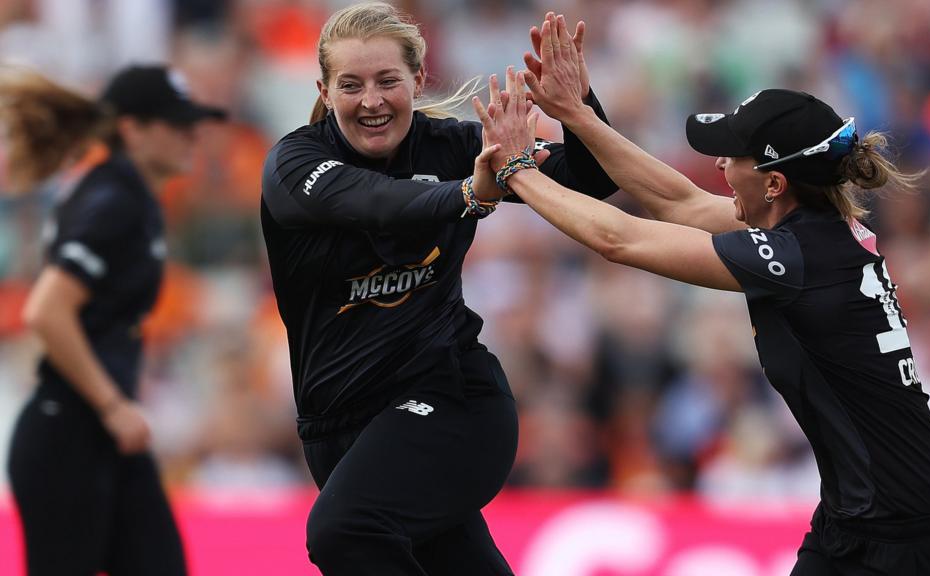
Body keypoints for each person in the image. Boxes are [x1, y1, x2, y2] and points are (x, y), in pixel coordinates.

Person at [473, 12, 930, 575]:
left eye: (733, 156)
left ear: (775, 183)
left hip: (912, 544)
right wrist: (576, 114)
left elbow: (620, 238)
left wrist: (517, 170)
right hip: (861, 521)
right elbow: (676, 201)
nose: (720, 165)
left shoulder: (796, 257)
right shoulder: (817, 231)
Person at [258, 3, 617, 574]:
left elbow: (591, 179)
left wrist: (578, 109)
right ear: (324, 92)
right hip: (338, 433)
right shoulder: (297, 162)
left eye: (387, 81)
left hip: (453, 404)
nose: (371, 100)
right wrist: (469, 194)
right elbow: (374, 202)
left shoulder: (453, 147)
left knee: (344, 530)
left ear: (419, 80)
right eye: (350, 85)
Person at [1, 64, 225, 575]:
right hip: (71, 434)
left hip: (94, 434)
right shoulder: (114, 200)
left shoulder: (125, 194)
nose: (193, 134)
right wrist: (112, 406)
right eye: (177, 123)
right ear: (133, 130)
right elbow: (45, 310)